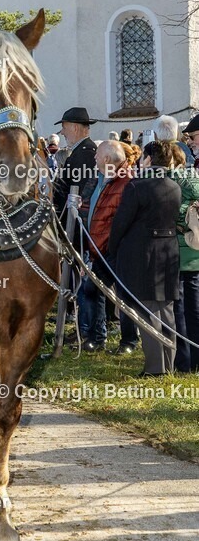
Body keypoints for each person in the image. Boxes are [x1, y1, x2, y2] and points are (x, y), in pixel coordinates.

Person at [108, 140, 182, 376]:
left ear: (148, 159)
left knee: (147, 310)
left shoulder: (136, 187)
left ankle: (155, 368)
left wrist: (111, 248)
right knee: (166, 309)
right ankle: (168, 363)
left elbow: (121, 222)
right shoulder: (174, 185)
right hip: (168, 250)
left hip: (142, 253)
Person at [80, 141, 134, 353]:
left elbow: (124, 218)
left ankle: (128, 341)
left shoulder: (127, 181)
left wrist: (111, 244)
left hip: (117, 249)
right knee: (93, 289)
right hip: (98, 248)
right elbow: (91, 207)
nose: (94, 157)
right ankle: (97, 338)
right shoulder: (98, 178)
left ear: (107, 159)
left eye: (97, 154)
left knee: (124, 295)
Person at [169, 149, 199, 373]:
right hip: (195, 253)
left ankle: (184, 360)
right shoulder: (195, 179)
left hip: (179, 252)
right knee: (195, 308)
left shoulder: (171, 181)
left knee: (178, 310)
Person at [52, 107, 99, 218]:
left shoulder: (86, 153)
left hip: (73, 219)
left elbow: (78, 192)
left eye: (64, 128)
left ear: (75, 128)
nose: (62, 132)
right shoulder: (80, 151)